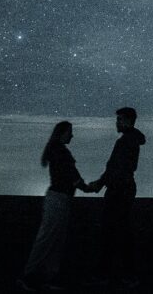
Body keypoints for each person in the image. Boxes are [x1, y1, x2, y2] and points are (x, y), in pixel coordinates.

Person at [19, 121, 91, 292]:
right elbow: (72, 175)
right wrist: (87, 187)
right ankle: (29, 277)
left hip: (59, 198)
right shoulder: (60, 151)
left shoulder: (56, 150)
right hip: (58, 199)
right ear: (63, 133)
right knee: (47, 239)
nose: (72, 135)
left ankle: (44, 278)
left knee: (54, 240)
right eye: (70, 132)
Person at [87, 107, 146, 288]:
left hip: (120, 190)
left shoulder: (125, 142)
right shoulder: (131, 140)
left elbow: (115, 167)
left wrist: (100, 183)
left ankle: (109, 274)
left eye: (120, 119)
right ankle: (123, 274)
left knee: (112, 231)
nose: (117, 122)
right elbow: (116, 167)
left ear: (128, 121)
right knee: (120, 230)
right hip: (123, 188)